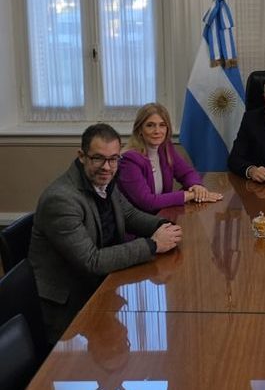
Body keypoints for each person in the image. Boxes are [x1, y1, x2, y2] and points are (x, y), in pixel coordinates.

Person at [28, 123, 183, 345]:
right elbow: (92, 261)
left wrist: (166, 225)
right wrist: (153, 245)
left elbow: (129, 215)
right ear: (82, 156)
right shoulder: (61, 200)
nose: (107, 167)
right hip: (68, 306)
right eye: (98, 158)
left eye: (113, 159)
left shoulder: (104, 182)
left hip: (101, 284)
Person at [118, 102, 223, 212]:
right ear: (139, 130)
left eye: (162, 125)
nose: (157, 131)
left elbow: (187, 173)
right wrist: (190, 195)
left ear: (167, 129)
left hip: (161, 215)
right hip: (138, 224)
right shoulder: (129, 160)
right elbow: (147, 202)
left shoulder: (165, 149)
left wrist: (196, 186)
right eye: (150, 125)